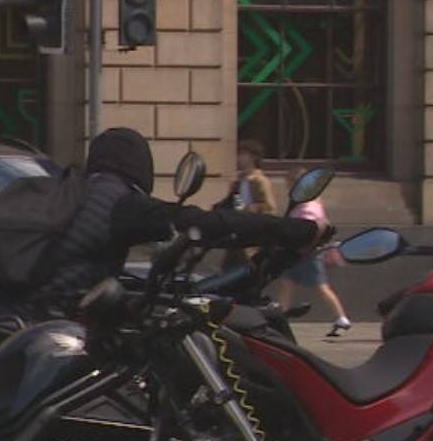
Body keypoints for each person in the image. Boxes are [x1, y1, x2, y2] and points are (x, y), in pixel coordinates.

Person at [25, 128, 319, 315]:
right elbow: (209, 224)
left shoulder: (68, 193)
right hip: (58, 319)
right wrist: (293, 230)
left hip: (17, 315)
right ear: (138, 167)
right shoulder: (120, 203)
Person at [276, 186, 352, 337]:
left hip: (306, 254)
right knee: (287, 283)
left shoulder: (308, 207)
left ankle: (341, 317)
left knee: (319, 287)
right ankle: (279, 318)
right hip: (301, 253)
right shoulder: (311, 205)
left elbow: (310, 228)